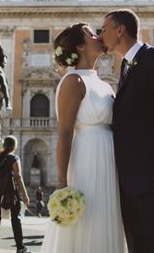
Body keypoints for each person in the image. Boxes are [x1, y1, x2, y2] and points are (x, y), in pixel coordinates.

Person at [101, 10, 154, 253]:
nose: (100, 35)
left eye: (104, 29)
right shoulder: (127, 67)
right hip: (131, 184)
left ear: (120, 30)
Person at [41, 23, 126, 253]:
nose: (99, 35)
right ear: (80, 46)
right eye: (91, 34)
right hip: (87, 160)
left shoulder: (103, 83)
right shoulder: (73, 81)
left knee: (107, 220)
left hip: (109, 160)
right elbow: (65, 133)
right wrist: (61, 183)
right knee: (90, 222)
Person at [0, 135, 31, 253]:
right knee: (15, 219)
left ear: (4, 146)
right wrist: (25, 195)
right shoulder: (14, 158)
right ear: (15, 146)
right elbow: (18, 177)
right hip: (10, 193)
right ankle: (20, 247)